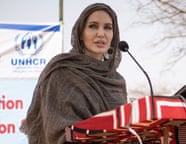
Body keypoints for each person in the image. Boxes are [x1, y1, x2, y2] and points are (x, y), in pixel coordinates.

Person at [20, 3, 127, 144]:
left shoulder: (117, 81)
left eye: (107, 28)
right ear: (80, 33)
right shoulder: (62, 72)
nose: (101, 33)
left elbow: (126, 129)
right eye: (93, 26)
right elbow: (57, 131)